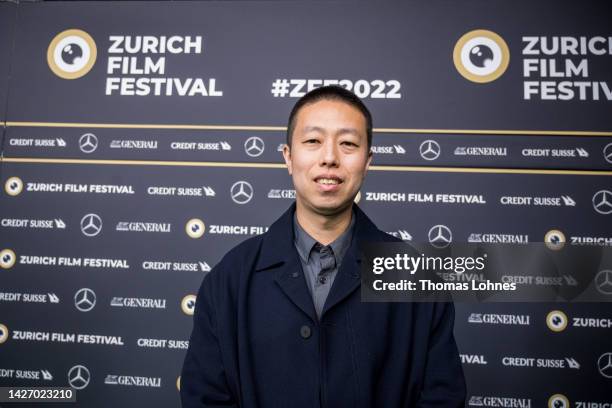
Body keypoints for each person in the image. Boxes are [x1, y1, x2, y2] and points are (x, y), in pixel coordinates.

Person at [181, 86, 466, 407]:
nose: (329, 158)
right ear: (288, 157)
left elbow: (443, 397)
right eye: (313, 141)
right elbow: (205, 398)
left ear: (368, 161)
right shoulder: (231, 278)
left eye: (348, 143)